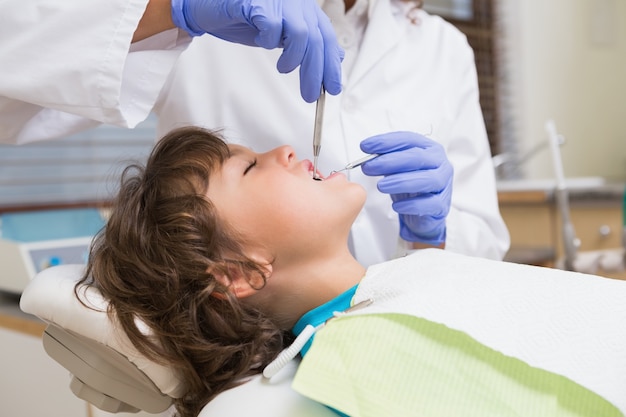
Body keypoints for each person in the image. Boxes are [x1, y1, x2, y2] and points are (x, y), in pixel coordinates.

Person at [80, 126, 626, 417]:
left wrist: (430, 250)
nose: (285, 150)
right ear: (236, 272)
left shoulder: (407, 293)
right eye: (247, 166)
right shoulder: (352, 364)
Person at [0, 0, 510, 266]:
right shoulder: (220, 16)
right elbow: (14, 99)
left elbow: (484, 245)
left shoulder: (444, 48)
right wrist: (169, 13)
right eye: (245, 161)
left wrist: (430, 235)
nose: (288, 152)